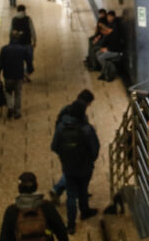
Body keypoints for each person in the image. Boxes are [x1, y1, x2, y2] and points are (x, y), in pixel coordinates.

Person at [51, 99, 99, 233]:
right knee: (83, 189)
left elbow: (54, 146)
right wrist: (90, 160)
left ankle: (71, 224)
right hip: (85, 167)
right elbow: (95, 149)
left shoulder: (61, 127)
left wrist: (64, 158)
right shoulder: (86, 129)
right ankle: (85, 211)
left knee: (71, 194)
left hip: (68, 167)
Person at [49, 90, 95, 204]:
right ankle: (58, 189)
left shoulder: (66, 109)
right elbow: (86, 133)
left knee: (71, 170)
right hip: (76, 148)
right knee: (74, 172)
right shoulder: (80, 115)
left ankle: (78, 191)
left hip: (64, 146)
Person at [0, 171, 68, 241]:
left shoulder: (12, 211)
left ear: (19, 188)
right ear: (37, 185)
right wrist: (48, 232)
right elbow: (61, 232)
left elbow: (4, 237)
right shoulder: (47, 207)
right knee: (48, 231)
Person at [0, 37, 34, 119]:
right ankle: (17, 112)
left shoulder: (4, 50)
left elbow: (0, 63)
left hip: (8, 76)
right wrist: (30, 69)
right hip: (19, 76)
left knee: (8, 92)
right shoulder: (22, 49)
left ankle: (10, 107)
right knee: (18, 93)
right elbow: (29, 60)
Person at [96, 10, 123, 81]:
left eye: (108, 16)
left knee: (101, 58)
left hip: (116, 51)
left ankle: (106, 73)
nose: (107, 18)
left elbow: (114, 46)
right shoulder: (111, 27)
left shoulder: (115, 30)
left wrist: (107, 49)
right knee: (98, 53)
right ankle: (106, 69)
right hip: (111, 48)